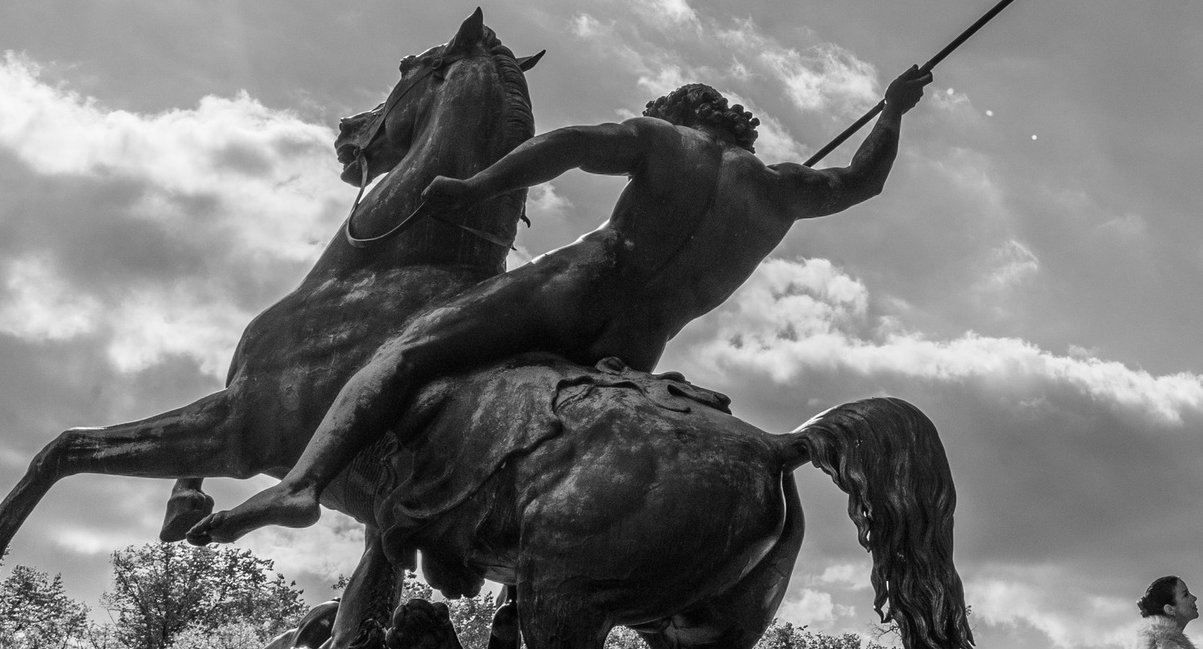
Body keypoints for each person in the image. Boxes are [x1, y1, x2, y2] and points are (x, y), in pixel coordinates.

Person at [190, 68, 930, 543]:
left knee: (408, 349)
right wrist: (891, 109)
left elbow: (572, 145)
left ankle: (300, 485)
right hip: (640, 343)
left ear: (678, 108)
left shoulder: (662, 138)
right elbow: (865, 179)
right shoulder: (782, 191)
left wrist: (476, 188)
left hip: (570, 292)